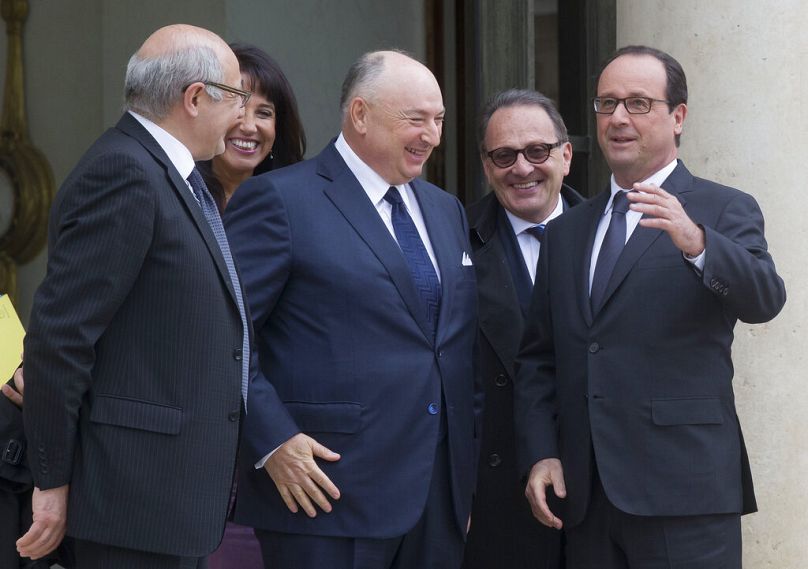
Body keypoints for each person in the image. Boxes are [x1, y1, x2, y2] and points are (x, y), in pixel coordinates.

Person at [514, 45, 786, 568]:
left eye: (638, 103)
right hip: (587, 497)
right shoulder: (568, 230)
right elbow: (540, 357)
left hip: (684, 494)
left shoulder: (722, 208)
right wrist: (542, 450)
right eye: (606, 103)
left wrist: (698, 242)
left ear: (677, 116)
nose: (618, 117)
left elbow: (765, 299)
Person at [223, 50, 479, 569]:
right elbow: (223, 333)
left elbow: (451, 346)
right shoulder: (280, 200)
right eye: (416, 119)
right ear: (359, 114)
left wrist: (462, 479)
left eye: (439, 119)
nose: (431, 135)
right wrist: (272, 442)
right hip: (324, 496)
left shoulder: (444, 209)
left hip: (435, 499)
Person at [19, 24, 250, 568]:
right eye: (237, 97)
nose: (242, 116)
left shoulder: (168, 172)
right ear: (195, 98)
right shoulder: (125, 171)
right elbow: (61, 338)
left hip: (166, 500)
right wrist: (51, 482)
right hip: (131, 501)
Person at [463, 89, 582, 569]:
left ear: (566, 155)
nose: (523, 168)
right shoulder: (450, 236)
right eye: (504, 155)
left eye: (538, 151)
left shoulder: (615, 237)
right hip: (493, 499)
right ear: (487, 166)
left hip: (598, 497)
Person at [200, 43, 306, 569]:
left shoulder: (308, 208)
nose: (249, 123)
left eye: (265, 111)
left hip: (282, 471)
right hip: (189, 465)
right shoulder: (164, 195)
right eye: (236, 104)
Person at [198, 42, 306, 213]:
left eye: (264, 113)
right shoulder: (181, 191)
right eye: (237, 106)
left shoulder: (296, 204)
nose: (248, 127)